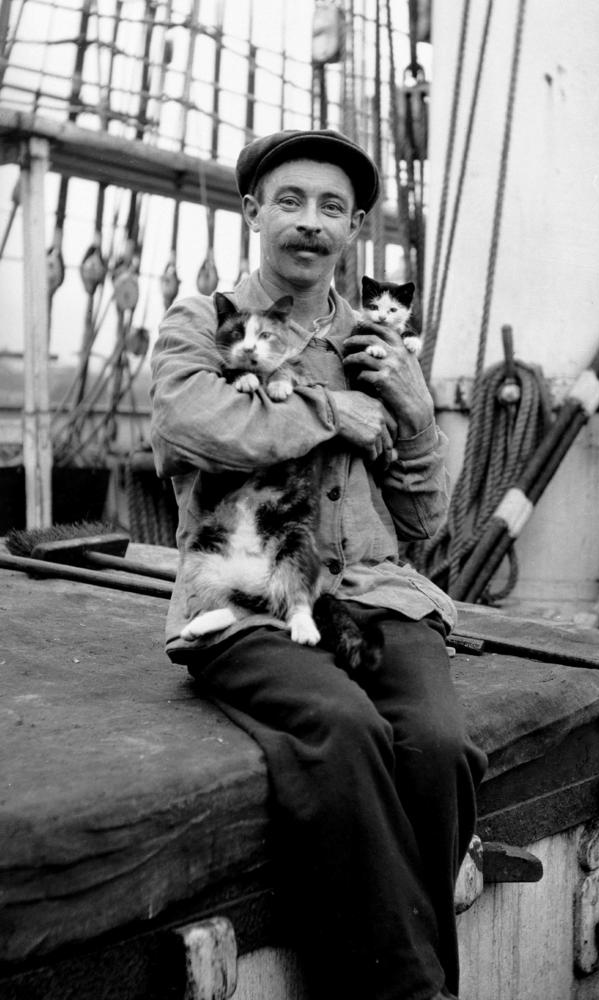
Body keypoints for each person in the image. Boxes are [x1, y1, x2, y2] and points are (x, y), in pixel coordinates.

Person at [150, 128, 487, 1000]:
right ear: (253, 210)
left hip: (377, 594)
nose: (310, 223)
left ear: (356, 227)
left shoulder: (379, 341)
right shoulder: (203, 323)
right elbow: (195, 425)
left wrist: (413, 415)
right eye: (290, 201)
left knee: (439, 746)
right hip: (251, 598)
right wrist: (332, 410)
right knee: (343, 729)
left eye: (332, 208)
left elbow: (423, 520)